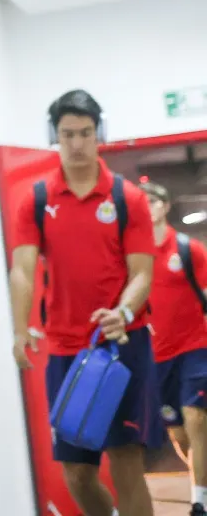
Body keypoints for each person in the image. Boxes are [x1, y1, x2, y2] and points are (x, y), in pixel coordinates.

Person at [9, 88, 160, 516]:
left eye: (85, 133)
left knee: (127, 461)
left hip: (123, 346)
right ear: (54, 136)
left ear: (99, 134)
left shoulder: (126, 198)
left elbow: (142, 273)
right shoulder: (36, 200)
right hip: (67, 351)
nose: (76, 143)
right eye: (67, 134)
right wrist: (19, 330)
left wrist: (124, 312)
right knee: (76, 471)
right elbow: (22, 269)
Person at [142, 180, 207, 516]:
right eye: (143, 202)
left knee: (197, 418)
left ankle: (200, 500)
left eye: (154, 201)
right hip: (158, 356)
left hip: (196, 348)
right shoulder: (133, 257)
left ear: (165, 206)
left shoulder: (187, 249)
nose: (148, 206)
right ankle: (202, 471)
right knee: (180, 434)